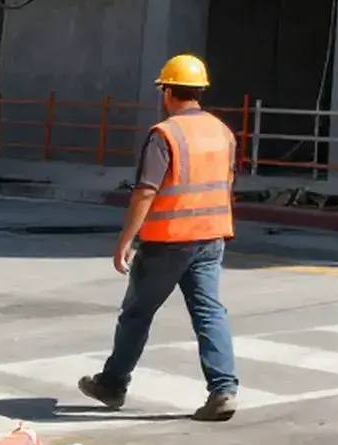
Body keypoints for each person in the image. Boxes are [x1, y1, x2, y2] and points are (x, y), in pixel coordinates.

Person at [80, 55, 239, 421]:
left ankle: (113, 383)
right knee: (210, 313)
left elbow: (145, 192)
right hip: (211, 237)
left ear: (167, 91)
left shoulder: (165, 134)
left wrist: (125, 241)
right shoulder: (222, 132)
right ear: (200, 91)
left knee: (137, 314)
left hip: (168, 241)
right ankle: (223, 390)